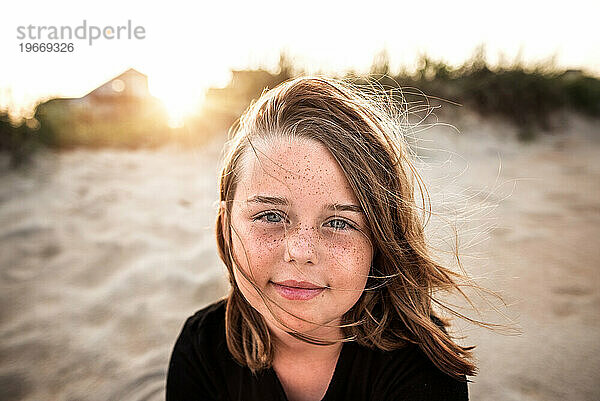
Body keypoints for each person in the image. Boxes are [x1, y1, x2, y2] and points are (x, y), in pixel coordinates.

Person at [166, 76, 478, 401]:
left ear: (381, 239)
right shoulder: (202, 348)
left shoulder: (421, 364)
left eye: (339, 223)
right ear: (226, 226)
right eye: (270, 216)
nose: (301, 252)